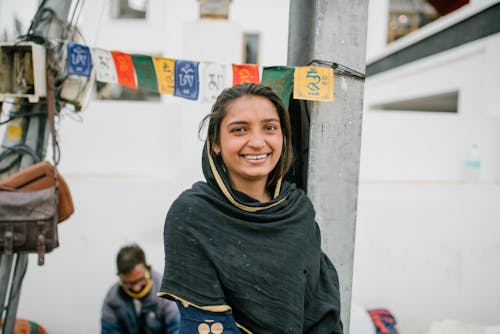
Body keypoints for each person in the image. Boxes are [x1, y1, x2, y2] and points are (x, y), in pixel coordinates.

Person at [158, 83, 343, 333]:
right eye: (239, 130)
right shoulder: (192, 214)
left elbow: (321, 309)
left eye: (269, 128)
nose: (257, 142)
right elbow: (205, 323)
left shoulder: (298, 212)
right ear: (216, 142)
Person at [101, 243, 180, 334]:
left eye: (140, 280)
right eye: (128, 283)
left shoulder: (167, 292)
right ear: (120, 277)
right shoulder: (112, 299)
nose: (136, 288)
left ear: (149, 269)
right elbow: (109, 331)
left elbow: (177, 328)